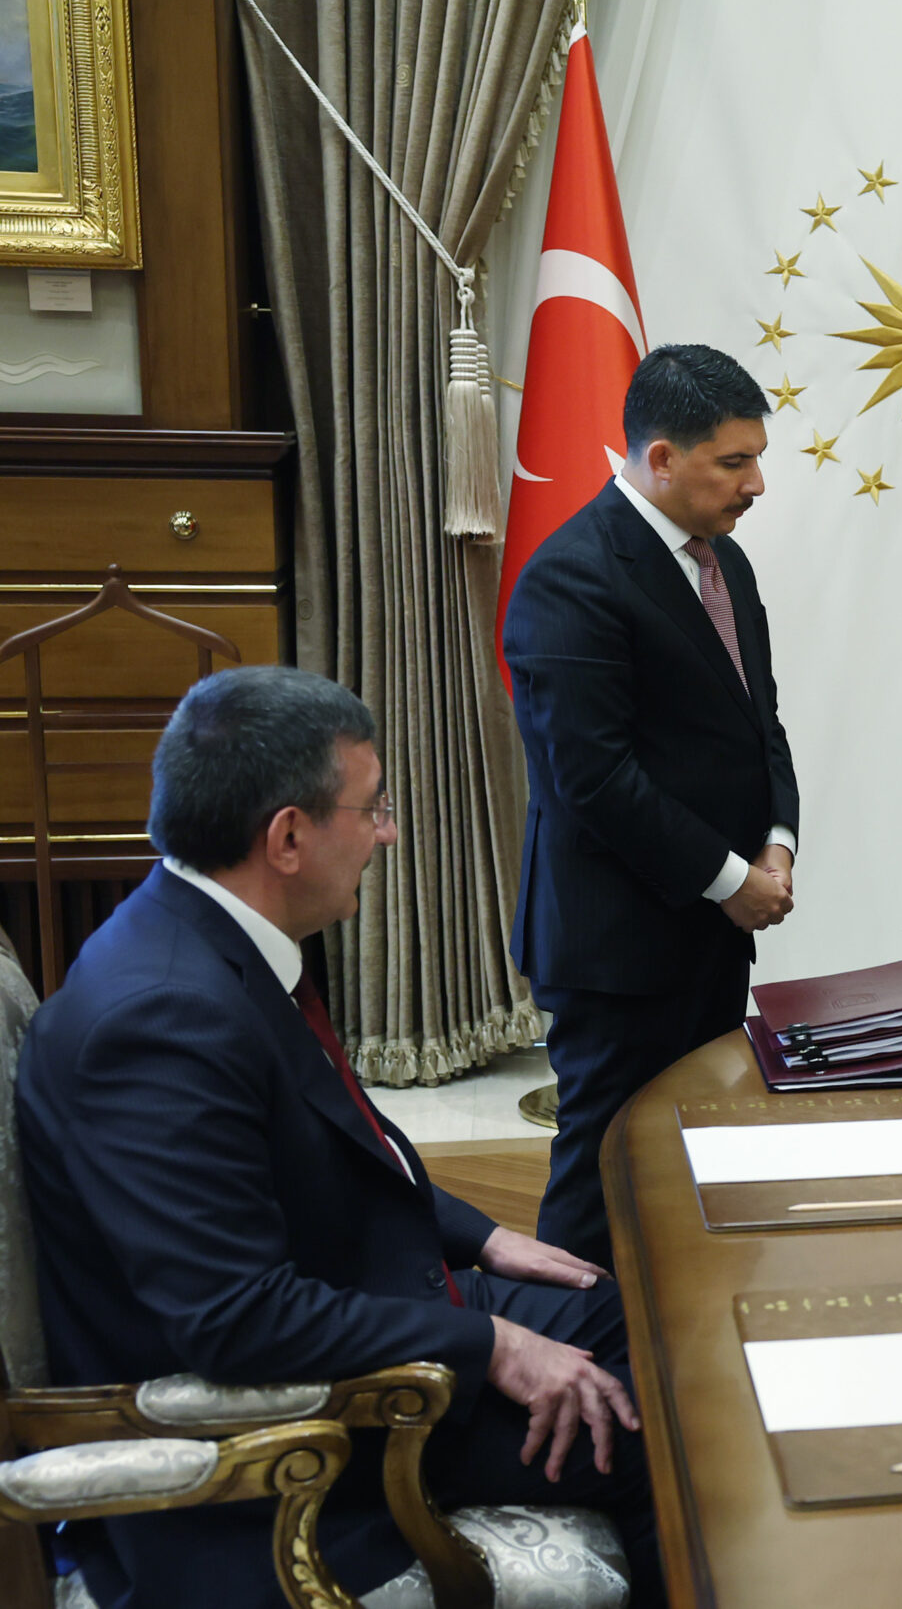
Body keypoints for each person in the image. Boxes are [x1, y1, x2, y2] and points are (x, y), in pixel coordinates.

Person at [13, 667, 661, 1607]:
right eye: (375, 808)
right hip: (301, 1431)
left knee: (650, 1325)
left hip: (363, 1286)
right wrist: (495, 1344)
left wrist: (483, 1238)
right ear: (287, 837)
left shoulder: (211, 937)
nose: (387, 834)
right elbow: (237, 1320)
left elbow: (334, 1147)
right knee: (663, 1432)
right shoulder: (160, 1018)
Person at [503, 343, 799, 1267]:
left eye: (757, 458)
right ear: (662, 458)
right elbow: (592, 778)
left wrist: (777, 841)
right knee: (606, 1170)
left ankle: (685, 1329)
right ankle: (568, 1341)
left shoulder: (724, 563)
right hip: (617, 944)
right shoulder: (572, 574)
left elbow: (759, 723)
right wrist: (730, 880)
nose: (756, 484)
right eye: (734, 462)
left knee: (694, 1155)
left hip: (710, 928)